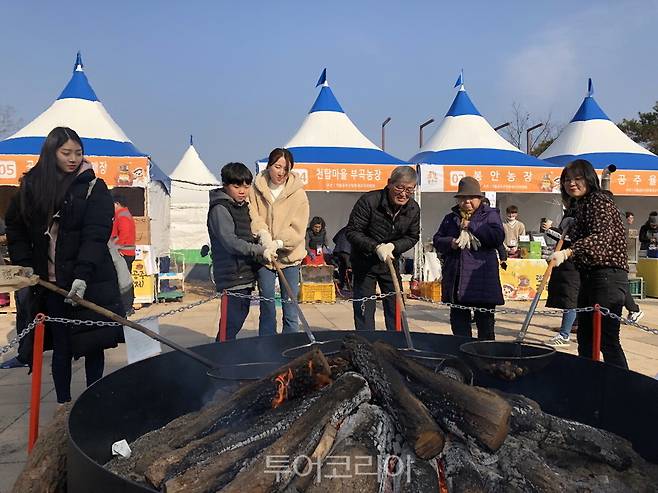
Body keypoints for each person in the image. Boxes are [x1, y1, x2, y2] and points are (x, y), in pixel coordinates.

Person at [5, 127, 125, 403]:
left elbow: (95, 235)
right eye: (66, 153)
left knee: (94, 343)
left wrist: (82, 276)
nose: (73, 159)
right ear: (51, 154)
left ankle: (95, 400)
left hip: (89, 281)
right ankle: (64, 405)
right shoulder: (33, 187)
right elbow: (16, 227)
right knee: (62, 346)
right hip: (51, 284)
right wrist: (25, 265)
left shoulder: (93, 187)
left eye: (78, 153)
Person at [548, 159, 629, 369]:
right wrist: (568, 227)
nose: (571, 183)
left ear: (589, 179)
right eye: (566, 180)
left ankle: (624, 391)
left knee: (606, 340)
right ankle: (589, 384)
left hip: (608, 277)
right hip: (589, 276)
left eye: (577, 178)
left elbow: (601, 236)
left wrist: (569, 252)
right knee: (585, 339)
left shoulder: (598, 200)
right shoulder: (582, 206)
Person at [346, 166, 420, 331]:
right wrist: (375, 247)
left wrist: (394, 246)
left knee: (396, 306)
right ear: (389, 184)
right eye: (399, 187)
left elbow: (413, 236)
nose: (403, 194)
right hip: (365, 261)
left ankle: (396, 344)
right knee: (364, 308)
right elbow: (352, 231)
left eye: (409, 190)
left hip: (390, 261)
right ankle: (365, 344)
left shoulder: (413, 208)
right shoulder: (369, 201)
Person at [208, 162, 272, 340]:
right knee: (229, 326)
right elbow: (230, 242)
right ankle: (220, 360)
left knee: (237, 321)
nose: (242, 191)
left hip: (244, 276)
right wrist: (259, 250)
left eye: (246, 186)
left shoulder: (243, 206)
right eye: (236, 186)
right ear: (225, 185)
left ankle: (228, 358)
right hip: (231, 277)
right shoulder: (220, 209)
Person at [249, 148, 309, 335]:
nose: (281, 172)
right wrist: (264, 236)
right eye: (277, 166)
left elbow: (298, 227)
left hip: (290, 257)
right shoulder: (256, 189)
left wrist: (280, 242)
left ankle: (290, 350)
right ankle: (267, 349)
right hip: (265, 257)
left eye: (286, 168)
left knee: (290, 308)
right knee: (267, 308)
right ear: (269, 166)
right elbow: (253, 215)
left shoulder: (298, 194)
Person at [435, 177, 504, 339]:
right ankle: (461, 355)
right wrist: (450, 243)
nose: (467, 201)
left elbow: (497, 237)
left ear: (479, 199)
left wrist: (471, 226)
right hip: (457, 278)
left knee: (485, 326)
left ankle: (485, 360)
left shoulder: (490, 215)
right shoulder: (450, 218)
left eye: (471, 198)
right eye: (463, 198)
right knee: (459, 325)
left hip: (481, 278)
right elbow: (437, 239)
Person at [544, 208, 579, 347]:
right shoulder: (570, 212)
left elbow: (571, 238)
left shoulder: (581, 214)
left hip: (573, 266)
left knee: (571, 300)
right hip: (565, 265)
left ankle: (564, 334)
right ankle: (572, 328)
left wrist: (551, 229)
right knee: (571, 301)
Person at [110, 193, 136, 272]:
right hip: (124, 252)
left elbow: (125, 233)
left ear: (117, 204)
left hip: (124, 253)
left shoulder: (122, 216)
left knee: (122, 280)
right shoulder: (122, 214)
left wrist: (118, 249)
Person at [481, 197, 508, 270]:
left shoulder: (493, 217)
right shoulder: (475, 218)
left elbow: (498, 242)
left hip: (489, 257)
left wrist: (503, 259)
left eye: (485, 206)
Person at [332, 225, 352, 290]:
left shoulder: (343, 229)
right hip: (347, 251)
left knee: (342, 268)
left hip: (338, 251)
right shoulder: (355, 230)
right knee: (351, 268)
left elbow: (334, 239)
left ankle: (341, 285)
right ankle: (350, 286)